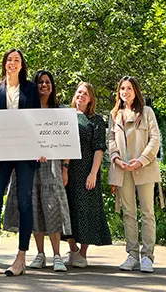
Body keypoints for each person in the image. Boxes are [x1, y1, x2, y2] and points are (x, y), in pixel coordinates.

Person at [4, 70, 71, 272]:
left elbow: (66, 143)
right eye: (40, 82)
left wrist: (65, 167)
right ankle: (40, 254)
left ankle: (57, 255)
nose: (44, 85)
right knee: (32, 207)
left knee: (52, 207)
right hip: (27, 164)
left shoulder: (60, 110)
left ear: (52, 86)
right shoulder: (26, 109)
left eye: (47, 82)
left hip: (52, 165)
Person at [0, 49, 42, 277]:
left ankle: (20, 258)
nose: (13, 63)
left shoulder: (31, 89)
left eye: (17, 60)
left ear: (22, 65)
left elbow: (38, 120)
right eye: (9, 60)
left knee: (25, 203)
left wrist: (41, 148)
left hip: (25, 153)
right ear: (4, 64)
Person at [108, 76, 161, 274]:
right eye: (122, 88)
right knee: (128, 213)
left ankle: (147, 256)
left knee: (147, 213)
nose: (125, 92)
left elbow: (155, 139)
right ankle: (132, 255)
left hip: (144, 169)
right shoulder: (115, 115)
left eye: (129, 88)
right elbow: (111, 140)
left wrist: (142, 160)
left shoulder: (147, 112)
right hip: (122, 170)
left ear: (136, 91)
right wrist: (116, 159)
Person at [63, 81, 112, 268]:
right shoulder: (65, 116)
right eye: (79, 92)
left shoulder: (96, 120)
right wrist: (63, 168)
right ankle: (73, 249)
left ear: (90, 98)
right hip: (68, 170)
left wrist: (93, 173)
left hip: (87, 171)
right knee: (68, 210)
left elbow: (99, 149)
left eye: (85, 93)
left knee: (86, 211)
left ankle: (82, 254)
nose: (81, 96)